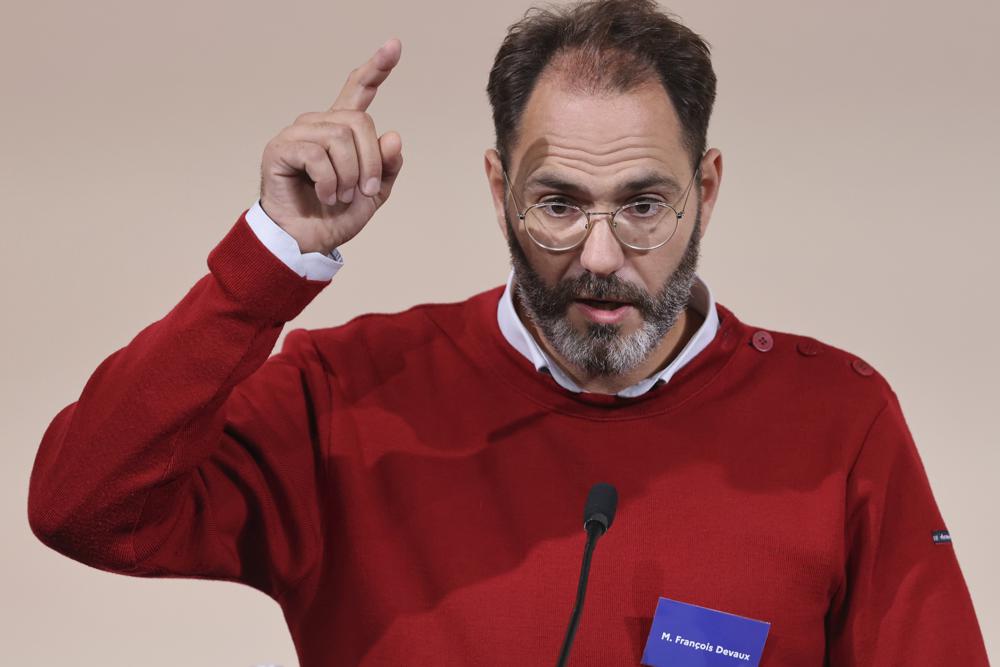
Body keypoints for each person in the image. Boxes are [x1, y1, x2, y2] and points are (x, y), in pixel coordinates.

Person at [27, 0, 988, 665]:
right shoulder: (348, 393)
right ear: (499, 192)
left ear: (708, 190)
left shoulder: (838, 417)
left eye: (645, 204)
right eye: (559, 203)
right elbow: (83, 505)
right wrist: (274, 258)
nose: (602, 255)